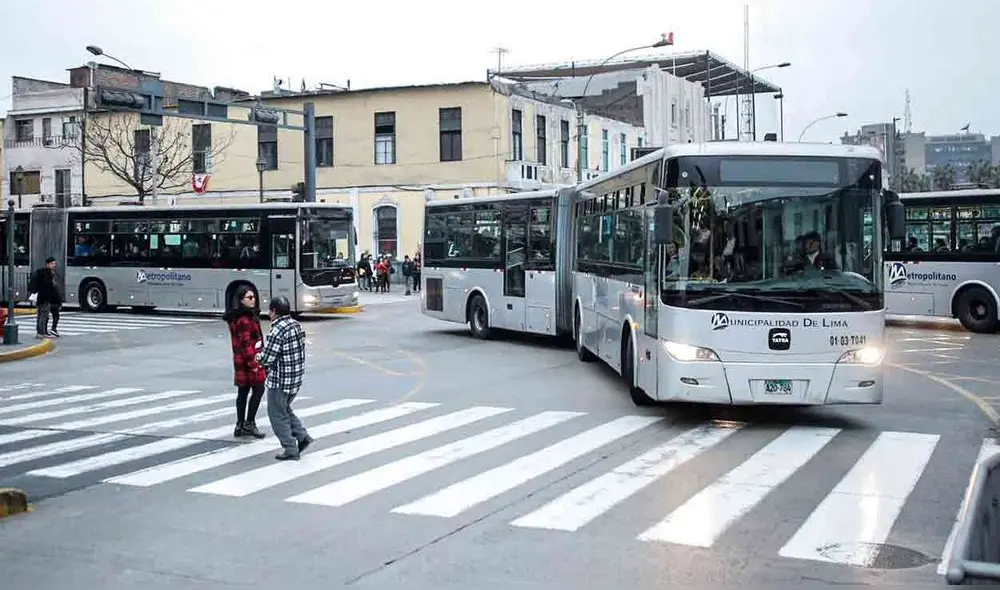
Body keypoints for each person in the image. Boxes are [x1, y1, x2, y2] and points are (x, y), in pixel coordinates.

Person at [256, 296, 313, 460]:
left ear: (274, 311)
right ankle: (302, 437)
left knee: (276, 415)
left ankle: (290, 448)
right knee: (284, 409)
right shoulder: (296, 325)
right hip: (295, 379)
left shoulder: (277, 330)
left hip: (280, 381)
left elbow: (268, 358)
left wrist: (258, 357)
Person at [223, 285, 267, 439]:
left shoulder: (241, 316)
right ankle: (249, 423)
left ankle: (240, 424)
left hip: (242, 362)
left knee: (243, 392)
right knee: (258, 389)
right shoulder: (245, 320)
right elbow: (247, 344)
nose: (253, 300)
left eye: (254, 296)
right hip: (249, 362)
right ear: (241, 300)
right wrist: (254, 365)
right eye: (249, 298)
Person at [28, 257, 59, 338]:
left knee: (42, 315)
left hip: (42, 297)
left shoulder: (43, 272)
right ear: (48, 264)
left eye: (54, 264)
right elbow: (47, 286)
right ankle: (41, 332)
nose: (54, 265)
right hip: (44, 297)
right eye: (52, 264)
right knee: (43, 315)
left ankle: (41, 331)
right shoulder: (46, 273)